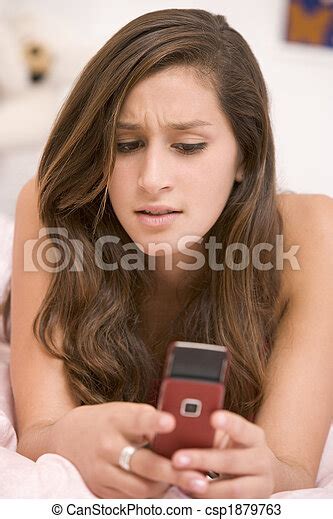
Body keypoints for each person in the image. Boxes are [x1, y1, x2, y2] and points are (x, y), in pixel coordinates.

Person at [1, 8, 333, 500]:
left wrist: (261, 471)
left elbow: (291, 467)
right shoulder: (54, 205)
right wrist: (67, 439)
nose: (152, 178)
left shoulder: (313, 232)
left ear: (246, 154)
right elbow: (41, 431)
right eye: (127, 143)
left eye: (189, 146)